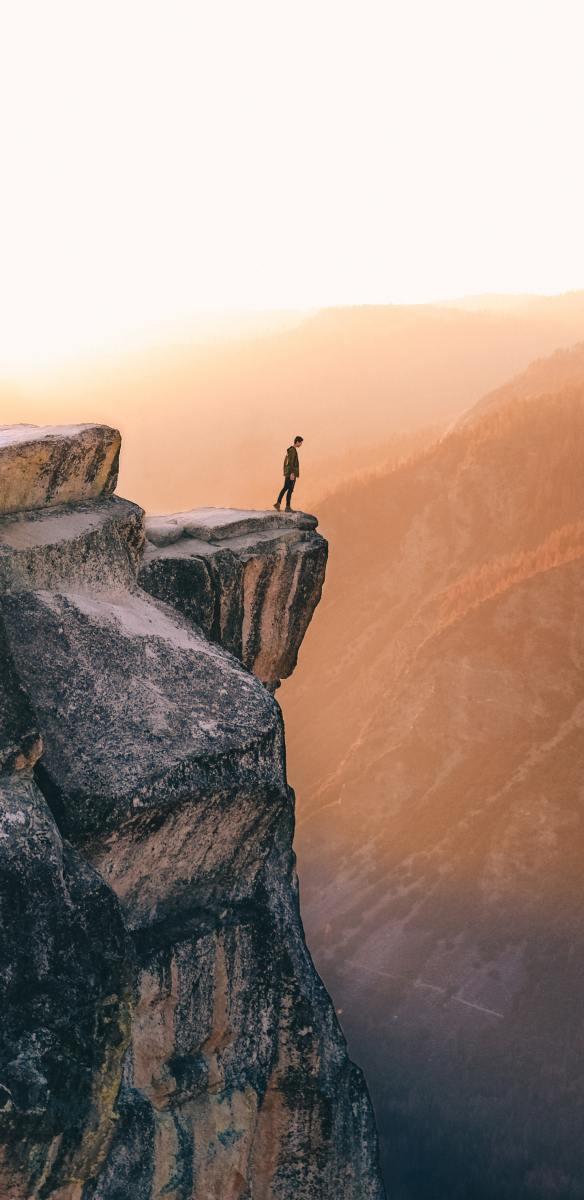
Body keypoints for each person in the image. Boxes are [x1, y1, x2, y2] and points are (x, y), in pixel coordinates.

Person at [274, 436, 303, 512]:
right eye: (300, 443)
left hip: (288, 473)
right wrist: (292, 473)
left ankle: (278, 503)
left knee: (285, 488)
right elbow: (291, 463)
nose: (301, 444)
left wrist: (288, 473)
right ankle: (287, 507)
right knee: (290, 489)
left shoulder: (290, 450)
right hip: (291, 473)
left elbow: (287, 462)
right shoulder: (293, 451)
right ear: (297, 442)